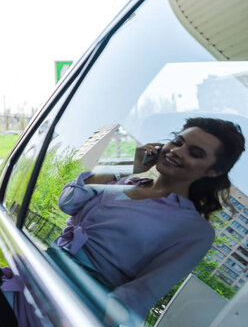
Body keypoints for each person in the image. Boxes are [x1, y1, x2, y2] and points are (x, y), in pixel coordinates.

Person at [55, 117, 245, 319]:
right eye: (177, 142)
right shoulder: (127, 181)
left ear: (214, 171)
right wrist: (124, 165)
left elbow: (139, 295)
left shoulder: (195, 230)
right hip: (46, 266)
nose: (176, 151)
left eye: (195, 153)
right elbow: (69, 202)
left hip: (77, 303)